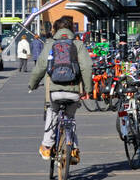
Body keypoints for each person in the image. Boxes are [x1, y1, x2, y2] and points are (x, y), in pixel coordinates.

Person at [28, 16, 93, 162]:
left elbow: (40, 67)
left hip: (54, 91)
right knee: (70, 118)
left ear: (55, 30)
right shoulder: (78, 44)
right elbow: (87, 67)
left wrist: (32, 84)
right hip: (74, 91)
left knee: (52, 112)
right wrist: (88, 90)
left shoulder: (50, 44)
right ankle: (73, 149)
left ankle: (47, 146)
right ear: (72, 29)